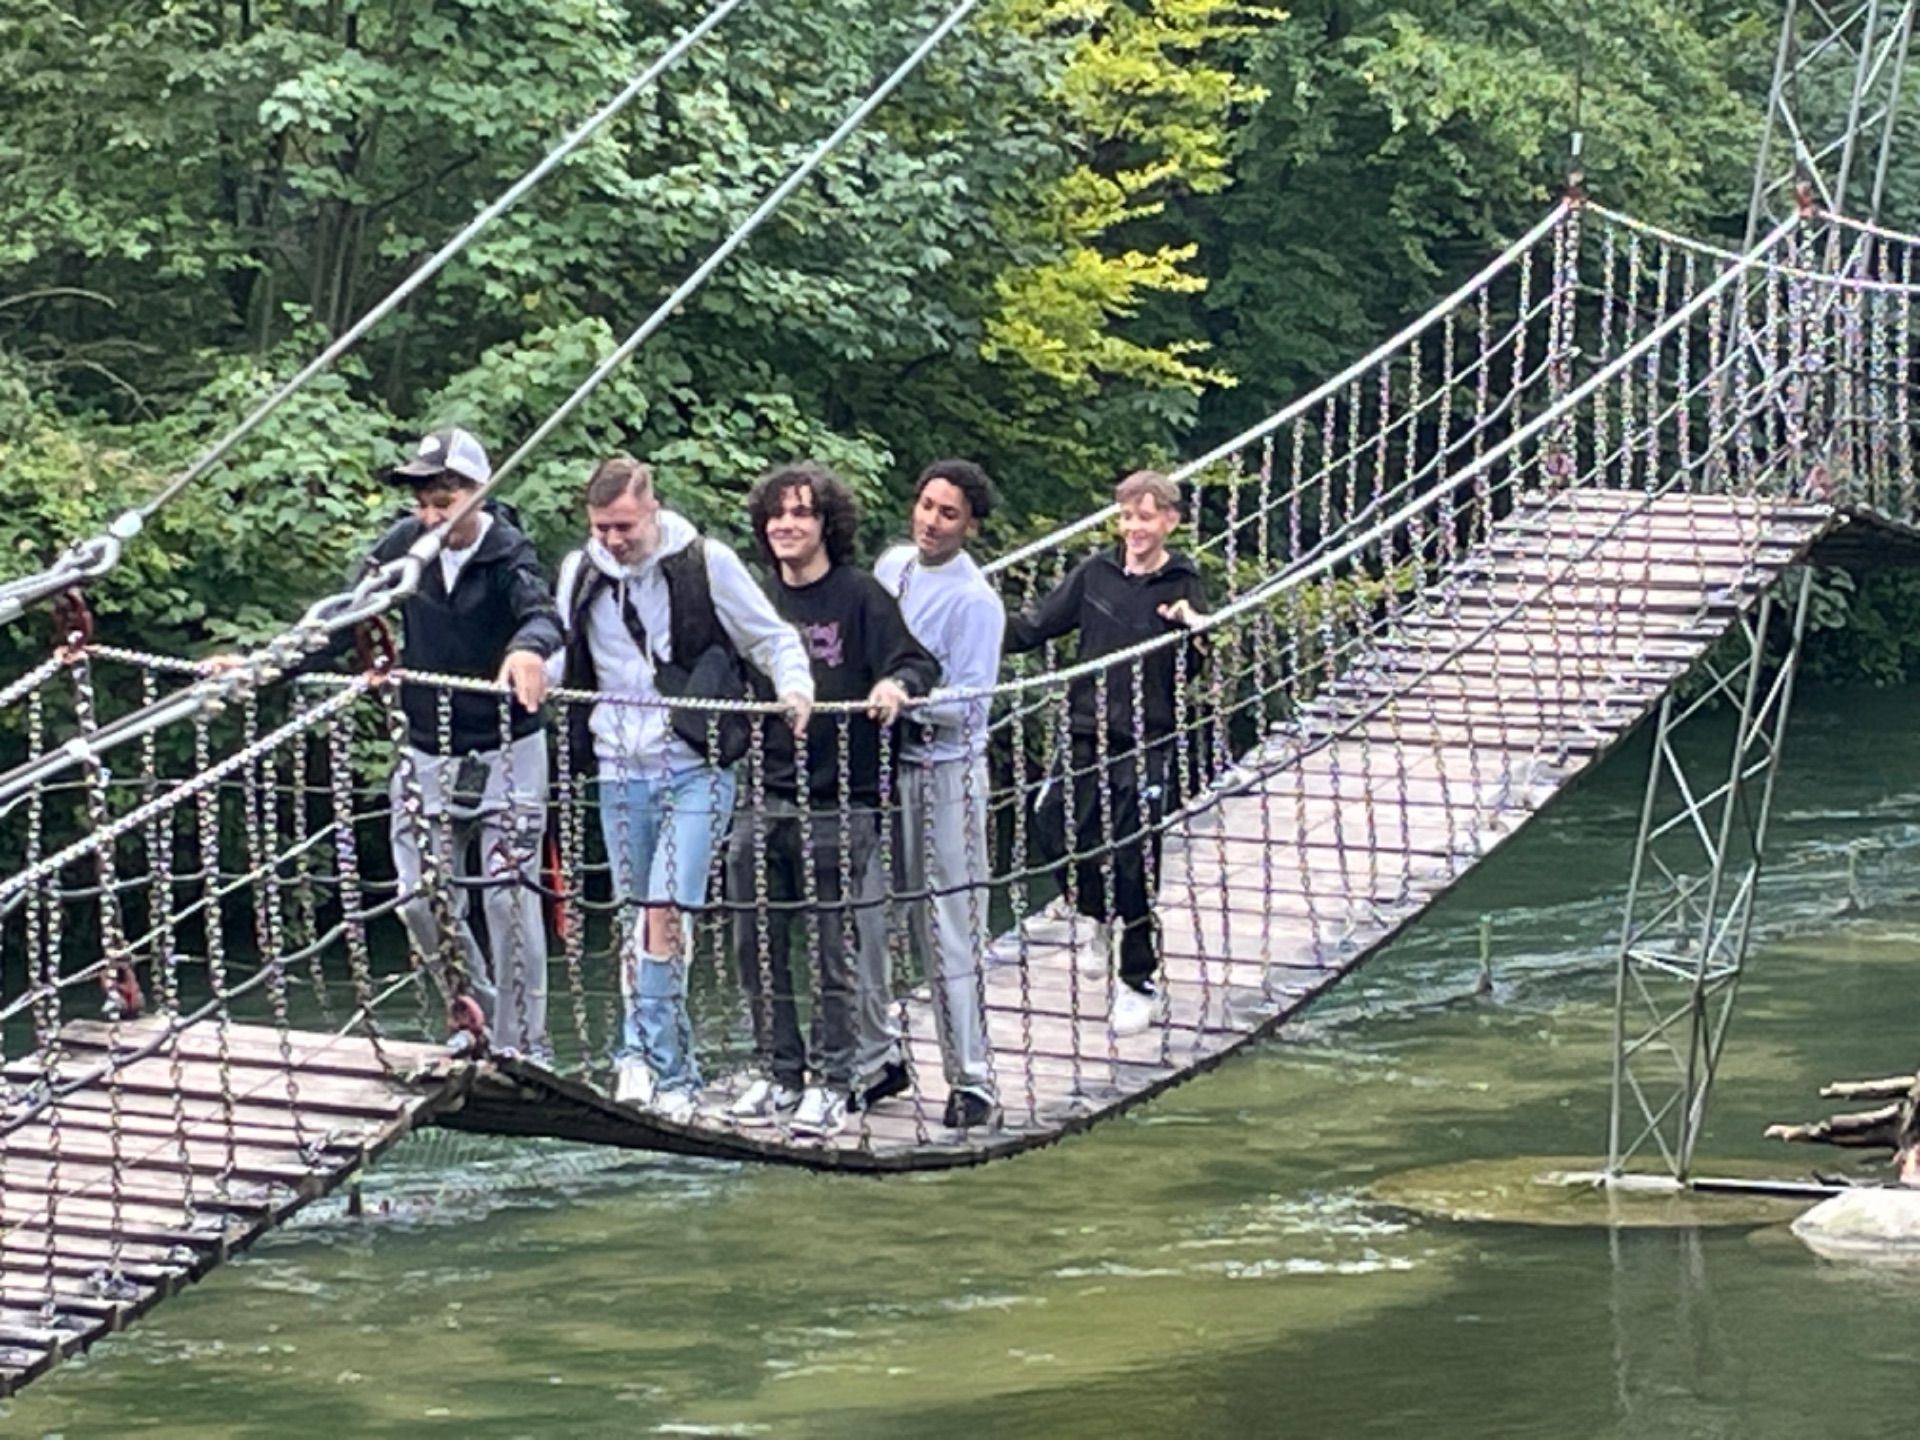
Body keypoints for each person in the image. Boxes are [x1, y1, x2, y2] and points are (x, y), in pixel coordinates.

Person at [553, 456, 813, 1123]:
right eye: (602, 528)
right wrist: (521, 668)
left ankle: (665, 1069)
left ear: (653, 510)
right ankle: (643, 1058)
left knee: (665, 911)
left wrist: (795, 688)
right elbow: (559, 651)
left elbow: (771, 637)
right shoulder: (581, 572)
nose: (614, 540)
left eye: (625, 527)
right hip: (619, 766)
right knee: (637, 914)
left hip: (697, 762)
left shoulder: (706, 563)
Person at [725, 462, 938, 1138]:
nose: (786, 525)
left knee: (832, 949)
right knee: (754, 941)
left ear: (826, 524)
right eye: (776, 515)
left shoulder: (862, 596)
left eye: (802, 513)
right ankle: (777, 1071)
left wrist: (894, 687)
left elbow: (917, 662)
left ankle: (835, 1080)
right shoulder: (755, 598)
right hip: (764, 791)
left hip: (842, 799)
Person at [355, 428, 561, 1057]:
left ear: (479, 493)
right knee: (419, 898)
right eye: (422, 502)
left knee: (507, 899)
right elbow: (343, 614)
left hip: (508, 749)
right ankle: (478, 1012)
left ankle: (523, 1045)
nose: (431, 516)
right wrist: (263, 665)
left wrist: (527, 650)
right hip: (427, 748)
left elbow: (542, 614)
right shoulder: (403, 547)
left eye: (444, 501)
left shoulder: (508, 552)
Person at [1003, 469, 1207, 1036]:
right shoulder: (1096, 573)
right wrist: (968, 624)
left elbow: (1194, 666)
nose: (1134, 528)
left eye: (1146, 517)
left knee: (1135, 857)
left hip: (1147, 738)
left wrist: (1191, 630)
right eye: (1126, 517)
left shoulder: (1182, 582)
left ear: (1170, 521)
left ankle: (1138, 983)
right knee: (1051, 823)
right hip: (1084, 728)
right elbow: (1036, 626)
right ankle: (1093, 910)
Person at [873, 460, 1003, 1131]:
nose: (930, 521)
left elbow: (973, 703)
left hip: (944, 775)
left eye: (948, 513)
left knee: (948, 928)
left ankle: (972, 1080)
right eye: (926, 505)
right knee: (868, 918)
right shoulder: (891, 568)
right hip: (882, 769)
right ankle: (879, 1056)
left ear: (970, 526)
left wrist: (906, 699)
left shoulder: (976, 601)